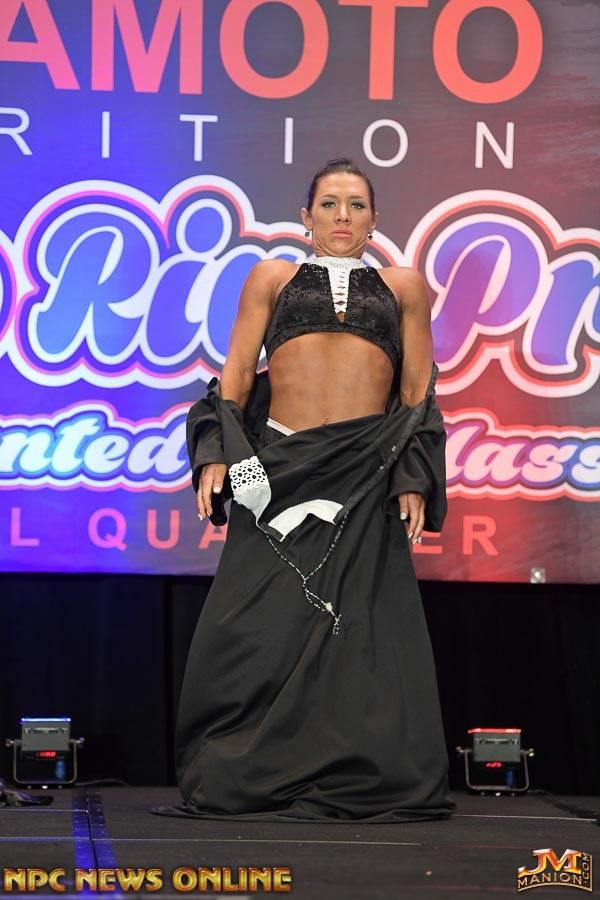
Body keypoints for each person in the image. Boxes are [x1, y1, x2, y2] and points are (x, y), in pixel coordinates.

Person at [160, 159, 454, 823]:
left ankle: (362, 769)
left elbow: (417, 392)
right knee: (253, 624)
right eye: (329, 204)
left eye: (356, 205)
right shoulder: (271, 276)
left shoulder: (404, 286)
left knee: (363, 628)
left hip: (366, 474)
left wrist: (412, 475)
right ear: (306, 216)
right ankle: (242, 764)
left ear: (374, 219)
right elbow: (236, 375)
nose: (342, 216)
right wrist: (216, 453)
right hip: (277, 471)